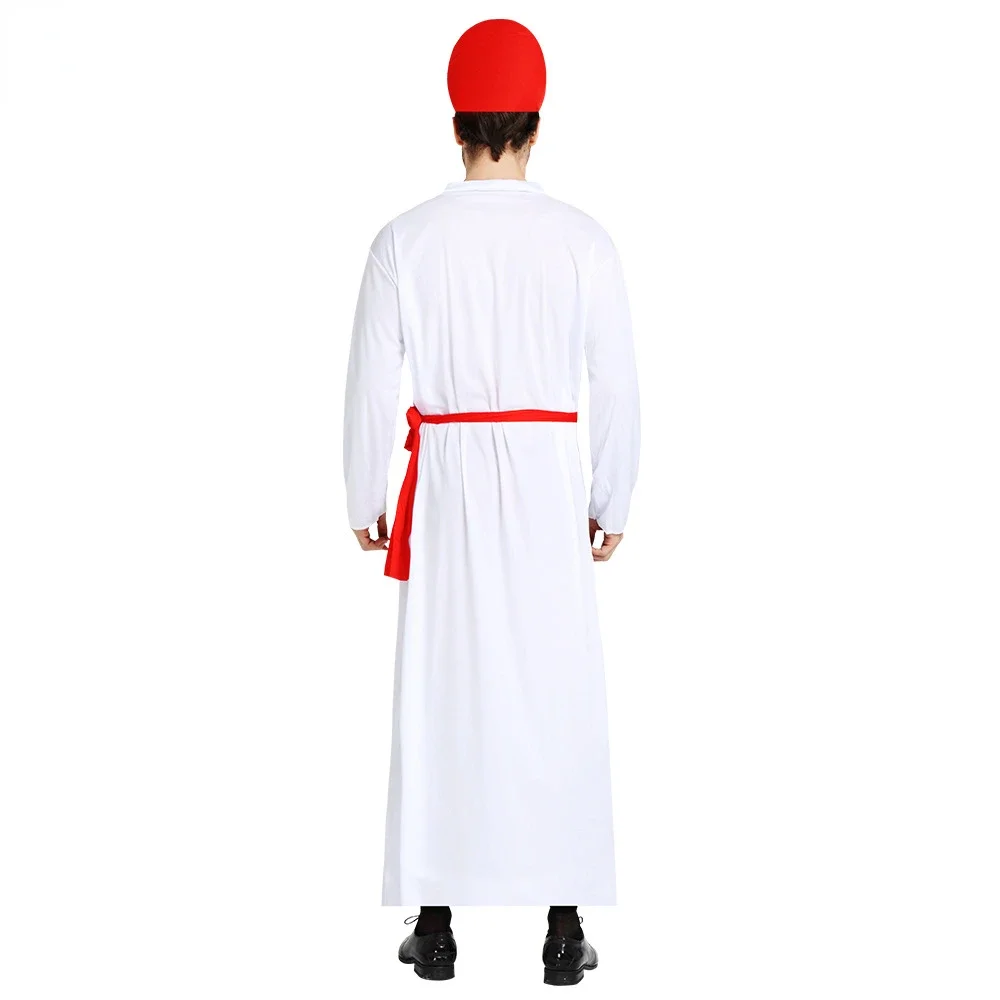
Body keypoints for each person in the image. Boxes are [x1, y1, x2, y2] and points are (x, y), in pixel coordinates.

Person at [343, 18, 639, 986]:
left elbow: (369, 382)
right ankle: (562, 925)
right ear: (536, 127)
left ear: (455, 124)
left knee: (443, 686)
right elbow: (617, 383)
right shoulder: (583, 241)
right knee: (555, 689)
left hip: (446, 486)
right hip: (548, 482)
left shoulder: (404, 240)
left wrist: (363, 490)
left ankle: (434, 925)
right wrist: (611, 498)